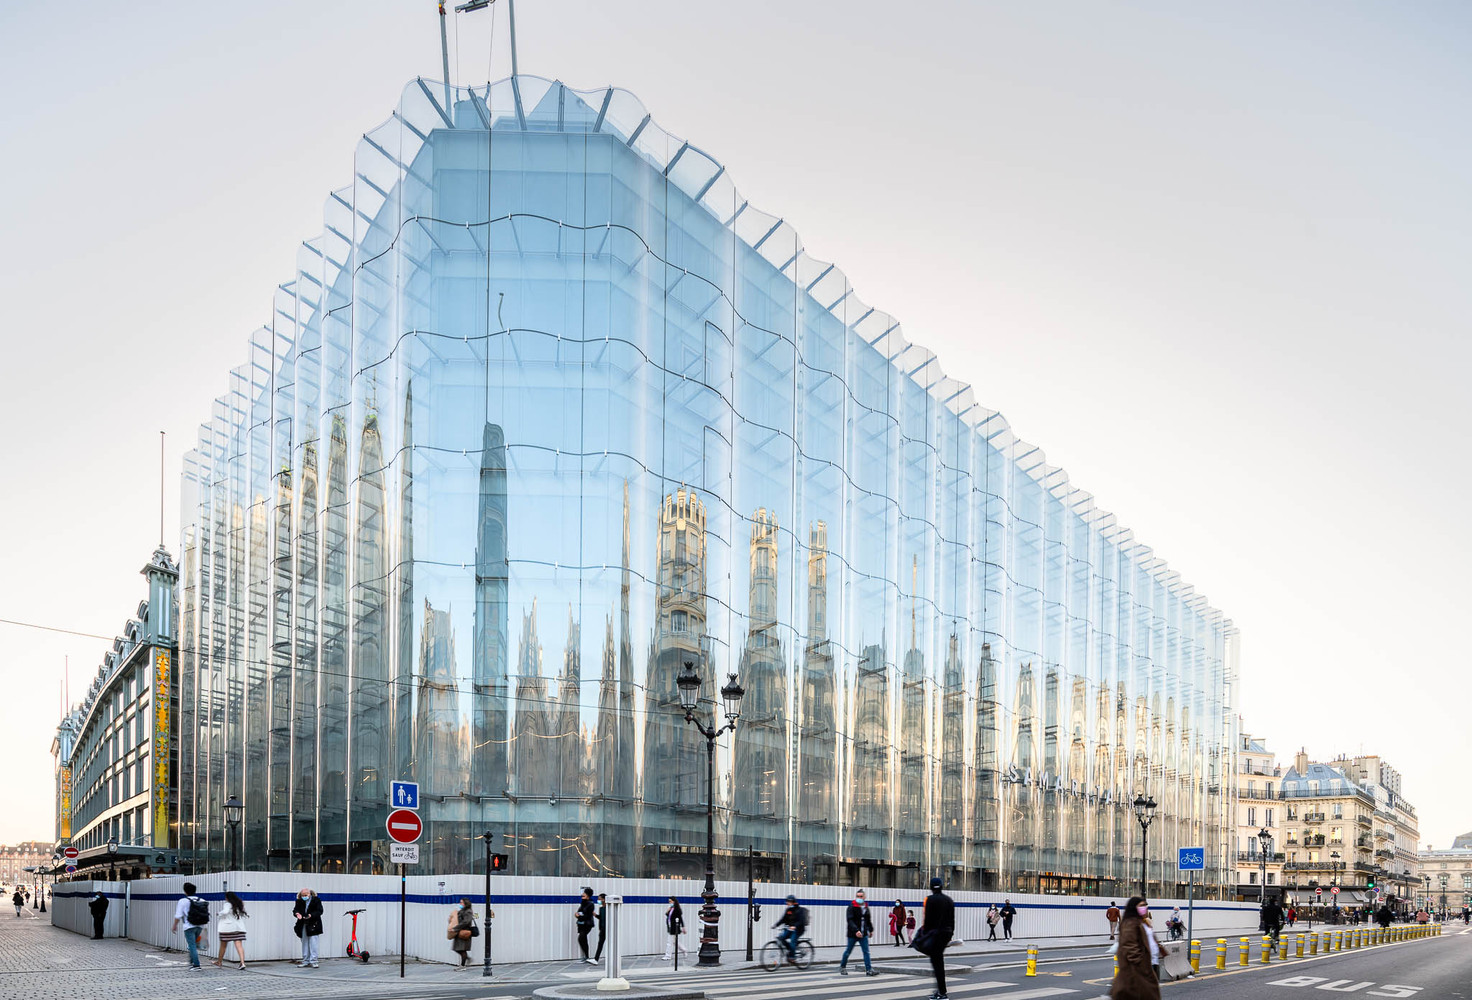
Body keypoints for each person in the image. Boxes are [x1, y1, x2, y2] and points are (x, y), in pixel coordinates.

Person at [1111, 897, 1164, 999]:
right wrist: (1140, 963)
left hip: (1149, 964)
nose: (1145, 908)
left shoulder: (1142, 922)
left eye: (1145, 905)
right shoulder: (1130, 923)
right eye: (1141, 905)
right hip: (1139, 969)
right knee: (1144, 994)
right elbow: (1129, 945)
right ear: (1133, 908)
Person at [918, 876, 955, 1000]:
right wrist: (950, 935)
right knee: (938, 962)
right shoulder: (949, 900)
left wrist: (924, 934)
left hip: (935, 934)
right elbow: (952, 920)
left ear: (931, 887)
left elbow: (927, 920)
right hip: (946, 934)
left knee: (937, 963)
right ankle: (940, 990)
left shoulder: (929, 900)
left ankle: (942, 993)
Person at [838, 888, 877, 976]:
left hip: (863, 934)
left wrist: (870, 930)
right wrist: (856, 930)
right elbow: (850, 920)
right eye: (857, 896)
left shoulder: (866, 907)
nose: (859, 898)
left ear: (864, 897)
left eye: (861, 896)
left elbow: (868, 920)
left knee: (866, 952)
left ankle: (869, 969)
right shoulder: (851, 907)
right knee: (848, 951)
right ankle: (842, 967)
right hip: (853, 934)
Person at [171, 882, 209, 971]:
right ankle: (192, 962)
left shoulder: (183, 901)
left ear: (185, 891)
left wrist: (174, 926)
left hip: (189, 926)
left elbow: (178, 915)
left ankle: (196, 965)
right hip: (200, 925)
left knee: (192, 945)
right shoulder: (202, 900)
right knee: (193, 945)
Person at [212, 891, 249, 970]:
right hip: (238, 928)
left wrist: (219, 913)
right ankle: (242, 963)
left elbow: (225, 912)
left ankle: (219, 962)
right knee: (239, 946)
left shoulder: (227, 904)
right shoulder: (239, 903)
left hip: (227, 928)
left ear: (227, 898)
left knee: (223, 946)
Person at [292, 887, 324, 968]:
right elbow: (295, 910)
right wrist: (297, 914)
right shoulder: (299, 901)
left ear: (309, 894)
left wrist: (311, 915)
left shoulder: (316, 900)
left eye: (305, 895)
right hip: (303, 924)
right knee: (304, 943)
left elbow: (320, 911)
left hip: (314, 924)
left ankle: (314, 961)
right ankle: (305, 961)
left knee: (313, 943)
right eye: (302, 895)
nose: (304, 897)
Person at [773, 894, 808, 962]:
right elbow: (783, 919)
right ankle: (791, 950)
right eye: (787, 901)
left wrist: (795, 926)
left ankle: (792, 957)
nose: (787, 903)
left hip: (799, 929)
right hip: (790, 928)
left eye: (789, 901)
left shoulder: (799, 910)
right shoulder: (788, 910)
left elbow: (801, 921)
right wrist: (776, 925)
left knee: (792, 940)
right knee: (781, 938)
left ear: (793, 902)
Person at [449, 897, 477, 967]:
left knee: (462, 949)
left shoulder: (468, 911)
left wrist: (455, 928)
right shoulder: (462, 910)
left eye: (461, 902)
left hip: (464, 932)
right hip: (459, 931)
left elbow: (466, 922)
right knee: (458, 948)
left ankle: (463, 965)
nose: (460, 903)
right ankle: (467, 959)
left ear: (465, 903)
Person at [576, 887, 596, 964]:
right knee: (582, 939)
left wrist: (579, 916)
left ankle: (586, 956)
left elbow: (588, 915)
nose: (582, 894)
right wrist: (577, 914)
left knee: (581, 938)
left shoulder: (591, 904)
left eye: (584, 893)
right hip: (581, 924)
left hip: (587, 924)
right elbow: (579, 911)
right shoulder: (583, 903)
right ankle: (586, 956)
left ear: (588, 895)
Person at [662, 896, 686, 961]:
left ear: (674, 901)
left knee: (669, 942)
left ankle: (668, 956)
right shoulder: (671, 909)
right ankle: (684, 950)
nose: (669, 903)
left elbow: (680, 919)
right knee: (675, 942)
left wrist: (683, 927)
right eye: (669, 901)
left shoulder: (677, 909)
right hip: (670, 927)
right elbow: (668, 916)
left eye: (670, 901)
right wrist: (668, 910)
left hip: (674, 927)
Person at [593, 893, 607, 962]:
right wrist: (595, 915)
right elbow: (601, 918)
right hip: (602, 928)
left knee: (602, 943)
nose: (598, 900)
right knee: (600, 943)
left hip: (607, 928)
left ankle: (596, 959)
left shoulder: (608, 908)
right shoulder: (601, 908)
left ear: (604, 899)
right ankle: (596, 959)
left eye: (599, 899)